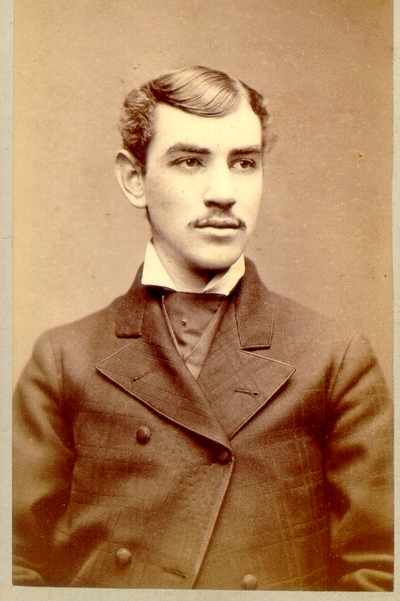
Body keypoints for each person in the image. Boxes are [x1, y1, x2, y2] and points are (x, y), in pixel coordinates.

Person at [13, 66, 393, 591]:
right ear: (134, 179)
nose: (224, 193)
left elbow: (381, 573)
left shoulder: (333, 357)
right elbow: (13, 569)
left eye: (244, 163)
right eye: (190, 161)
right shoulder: (64, 359)